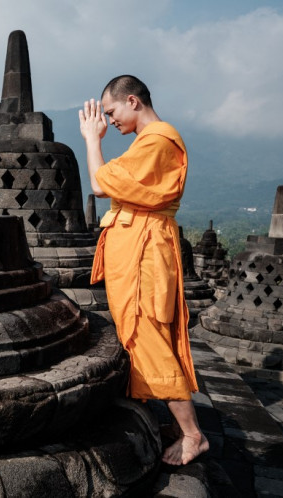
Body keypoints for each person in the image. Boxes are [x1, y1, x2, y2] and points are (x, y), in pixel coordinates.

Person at [78, 75, 209, 466]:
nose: (109, 120)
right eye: (104, 116)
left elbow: (102, 185)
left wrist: (91, 139)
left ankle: (193, 435)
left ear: (132, 100)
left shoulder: (158, 140)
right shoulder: (147, 142)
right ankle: (176, 423)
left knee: (148, 331)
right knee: (145, 332)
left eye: (111, 111)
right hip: (140, 248)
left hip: (145, 252)